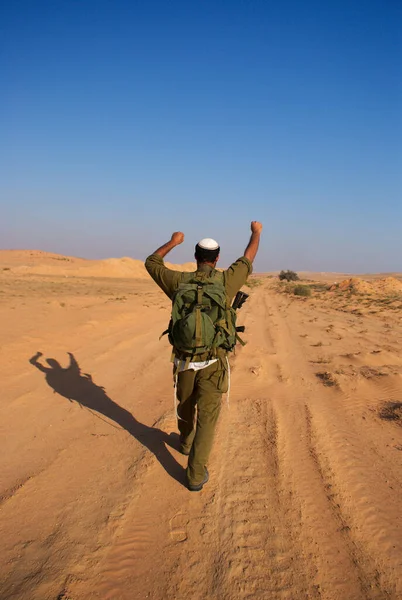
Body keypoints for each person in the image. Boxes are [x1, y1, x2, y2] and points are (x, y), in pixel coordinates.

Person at [145, 221, 262, 491]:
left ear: (196, 258)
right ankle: (195, 476)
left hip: (184, 360)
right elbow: (248, 256)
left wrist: (173, 242)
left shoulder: (178, 281)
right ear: (217, 258)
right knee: (207, 418)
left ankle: (184, 443)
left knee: (185, 404)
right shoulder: (226, 280)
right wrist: (256, 233)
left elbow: (152, 263)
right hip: (214, 362)